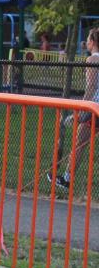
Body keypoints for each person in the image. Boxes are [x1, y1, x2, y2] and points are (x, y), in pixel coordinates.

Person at [51, 27, 99, 190]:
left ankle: (66, 179)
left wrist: (80, 110)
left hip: (94, 108)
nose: (86, 42)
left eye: (88, 39)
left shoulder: (92, 60)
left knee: (79, 143)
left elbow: (91, 87)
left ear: (92, 41)